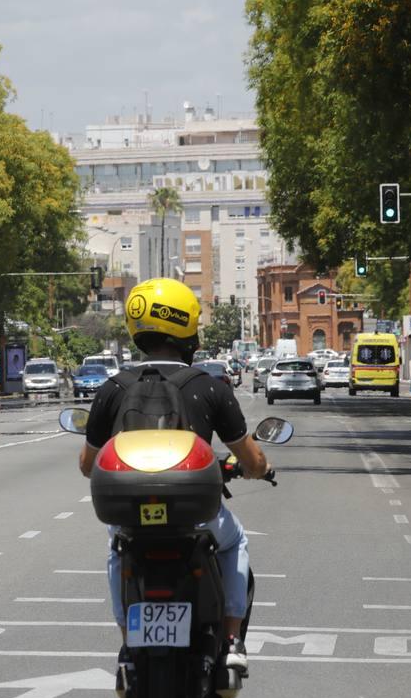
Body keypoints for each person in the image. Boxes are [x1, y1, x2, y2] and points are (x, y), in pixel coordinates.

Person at [78, 278, 270, 674]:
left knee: (118, 549)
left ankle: (126, 642)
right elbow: (250, 459)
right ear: (187, 328)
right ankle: (232, 639)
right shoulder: (209, 387)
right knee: (235, 542)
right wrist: (259, 469)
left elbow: (86, 464)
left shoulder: (113, 388)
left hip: (132, 516)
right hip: (196, 514)